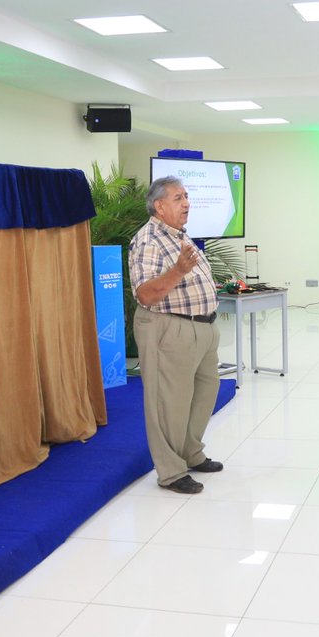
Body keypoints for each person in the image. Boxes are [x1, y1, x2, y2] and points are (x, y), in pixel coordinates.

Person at [129, 176, 224, 495]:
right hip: (169, 328)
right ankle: (170, 471)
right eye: (178, 198)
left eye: (186, 197)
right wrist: (180, 271)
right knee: (169, 402)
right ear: (159, 206)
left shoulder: (179, 235)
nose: (186, 203)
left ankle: (190, 453)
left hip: (203, 328)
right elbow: (145, 294)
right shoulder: (148, 240)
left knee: (204, 393)